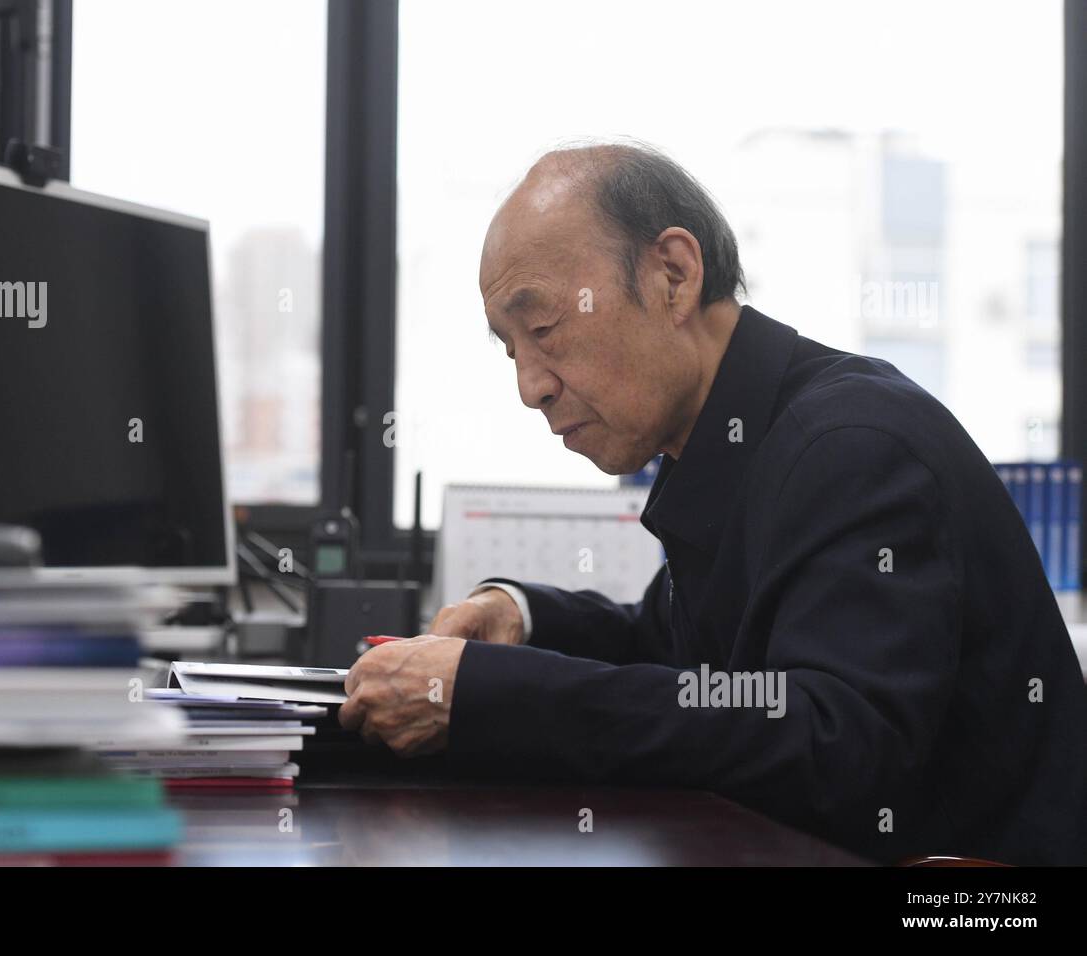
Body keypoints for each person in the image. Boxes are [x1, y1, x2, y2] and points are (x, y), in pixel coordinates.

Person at [338, 142, 1087, 864]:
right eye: (512, 350)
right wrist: (521, 616)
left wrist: (494, 698)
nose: (530, 385)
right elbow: (689, 659)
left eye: (544, 330)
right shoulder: (729, 437)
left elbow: (837, 742)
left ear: (673, 273)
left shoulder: (853, 446)